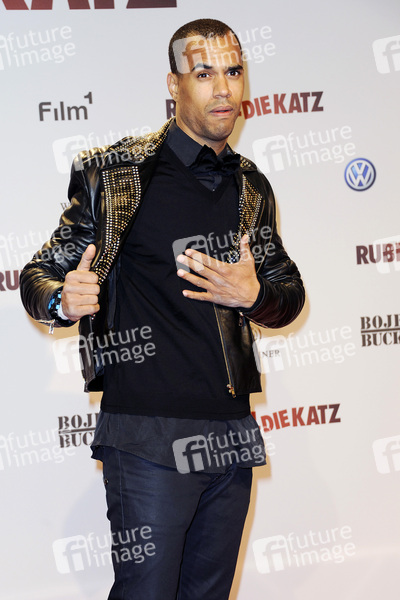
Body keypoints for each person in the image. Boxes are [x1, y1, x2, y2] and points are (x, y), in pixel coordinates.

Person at [20, 18, 305, 600]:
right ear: (174, 84)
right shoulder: (116, 174)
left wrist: (255, 297)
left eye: (233, 72)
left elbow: (289, 294)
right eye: (204, 74)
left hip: (231, 433)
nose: (223, 89)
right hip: (146, 436)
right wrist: (60, 299)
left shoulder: (252, 187)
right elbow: (38, 274)